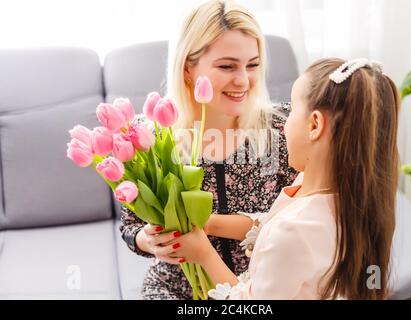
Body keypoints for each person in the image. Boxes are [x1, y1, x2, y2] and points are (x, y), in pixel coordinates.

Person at [161, 57, 401, 300]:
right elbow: (274, 223)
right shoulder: (336, 193)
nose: (284, 124)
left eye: (293, 109)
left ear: (315, 124)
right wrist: (212, 224)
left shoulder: (293, 232)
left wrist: (203, 254)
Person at [119, 0, 298, 299]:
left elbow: (297, 221)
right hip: (175, 289)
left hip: (262, 287)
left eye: (252, 65)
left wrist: (206, 227)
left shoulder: (284, 127)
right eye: (227, 66)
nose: (243, 80)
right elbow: (131, 226)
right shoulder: (152, 137)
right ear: (188, 68)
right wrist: (145, 241)